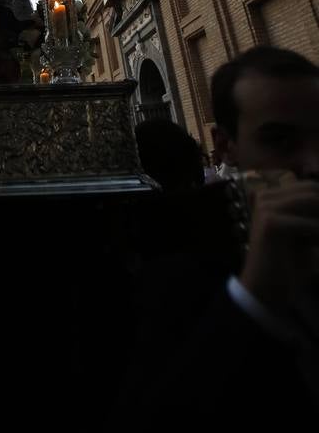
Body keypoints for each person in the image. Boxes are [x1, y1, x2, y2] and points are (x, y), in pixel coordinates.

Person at [108, 46, 319, 428]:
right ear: (225, 146)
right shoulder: (170, 273)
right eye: (280, 141)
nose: (313, 164)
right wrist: (255, 299)